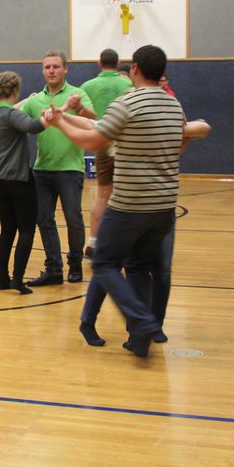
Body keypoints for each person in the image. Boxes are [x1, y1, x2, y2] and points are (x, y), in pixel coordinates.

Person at [44, 45, 185, 358]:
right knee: (138, 267)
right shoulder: (173, 105)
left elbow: (93, 140)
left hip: (131, 204)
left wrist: (60, 123)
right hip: (165, 206)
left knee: (105, 263)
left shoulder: (128, 103)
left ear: (135, 69)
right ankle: (139, 338)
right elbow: (181, 142)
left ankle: (141, 321)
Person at [20, 50, 95, 286]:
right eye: (47, 67)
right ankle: (53, 269)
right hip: (42, 169)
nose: (51, 70)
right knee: (43, 219)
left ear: (65, 69)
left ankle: (75, 265)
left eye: (56, 66)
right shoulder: (35, 100)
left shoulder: (77, 94)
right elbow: (13, 119)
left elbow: (92, 118)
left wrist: (79, 108)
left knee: (74, 220)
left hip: (70, 169)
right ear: (43, 70)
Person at [0, 71, 46, 294]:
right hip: (18, 179)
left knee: (7, 230)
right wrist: (53, 115)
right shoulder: (10, 115)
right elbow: (33, 126)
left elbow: (12, 112)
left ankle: (2, 279)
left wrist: (26, 100)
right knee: (27, 230)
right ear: (15, 90)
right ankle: (18, 280)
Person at [79, 49, 134, 259]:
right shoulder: (129, 85)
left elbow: (80, 115)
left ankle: (93, 243)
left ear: (99, 64)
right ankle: (124, 245)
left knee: (102, 195)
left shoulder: (87, 86)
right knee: (126, 196)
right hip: (126, 145)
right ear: (118, 63)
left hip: (101, 141)